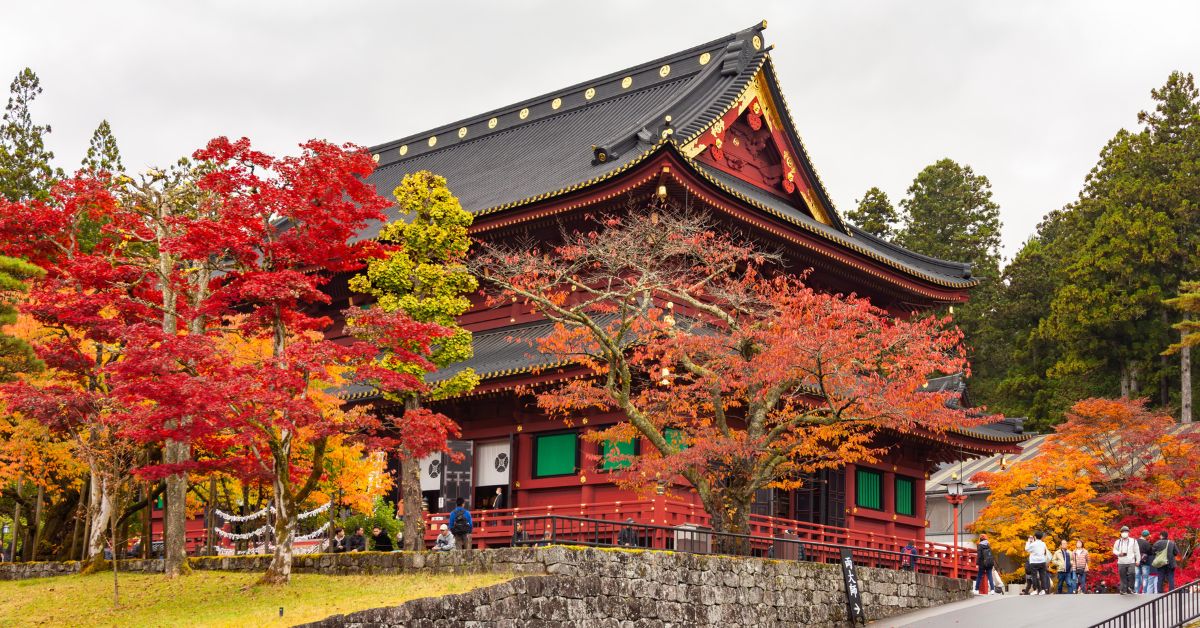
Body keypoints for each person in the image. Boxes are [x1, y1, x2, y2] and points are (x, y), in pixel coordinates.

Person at [1113, 525, 1140, 595]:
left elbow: (1137, 551)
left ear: (1128, 533)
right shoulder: (1118, 542)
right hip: (1121, 561)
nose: (1124, 533)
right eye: (1123, 532)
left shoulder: (1133, 541)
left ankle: (1131, 588)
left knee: (1132, 574)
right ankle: (1123, 589)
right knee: (1122, 576)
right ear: (1121, 533)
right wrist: (1119, 553)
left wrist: (1138, 560)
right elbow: (1114, 550)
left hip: (1131, 561)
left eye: (1126, 532)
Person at [1136, 529, 1154, 594]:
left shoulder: (1135, 541)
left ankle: (1136, 591)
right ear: (1146, 536)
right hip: (1145, 562)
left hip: (1136, 561)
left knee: (1137, 577)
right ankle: (1144, 592)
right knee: (1145, 577)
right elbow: (1151, 552)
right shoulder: (1146, 543)